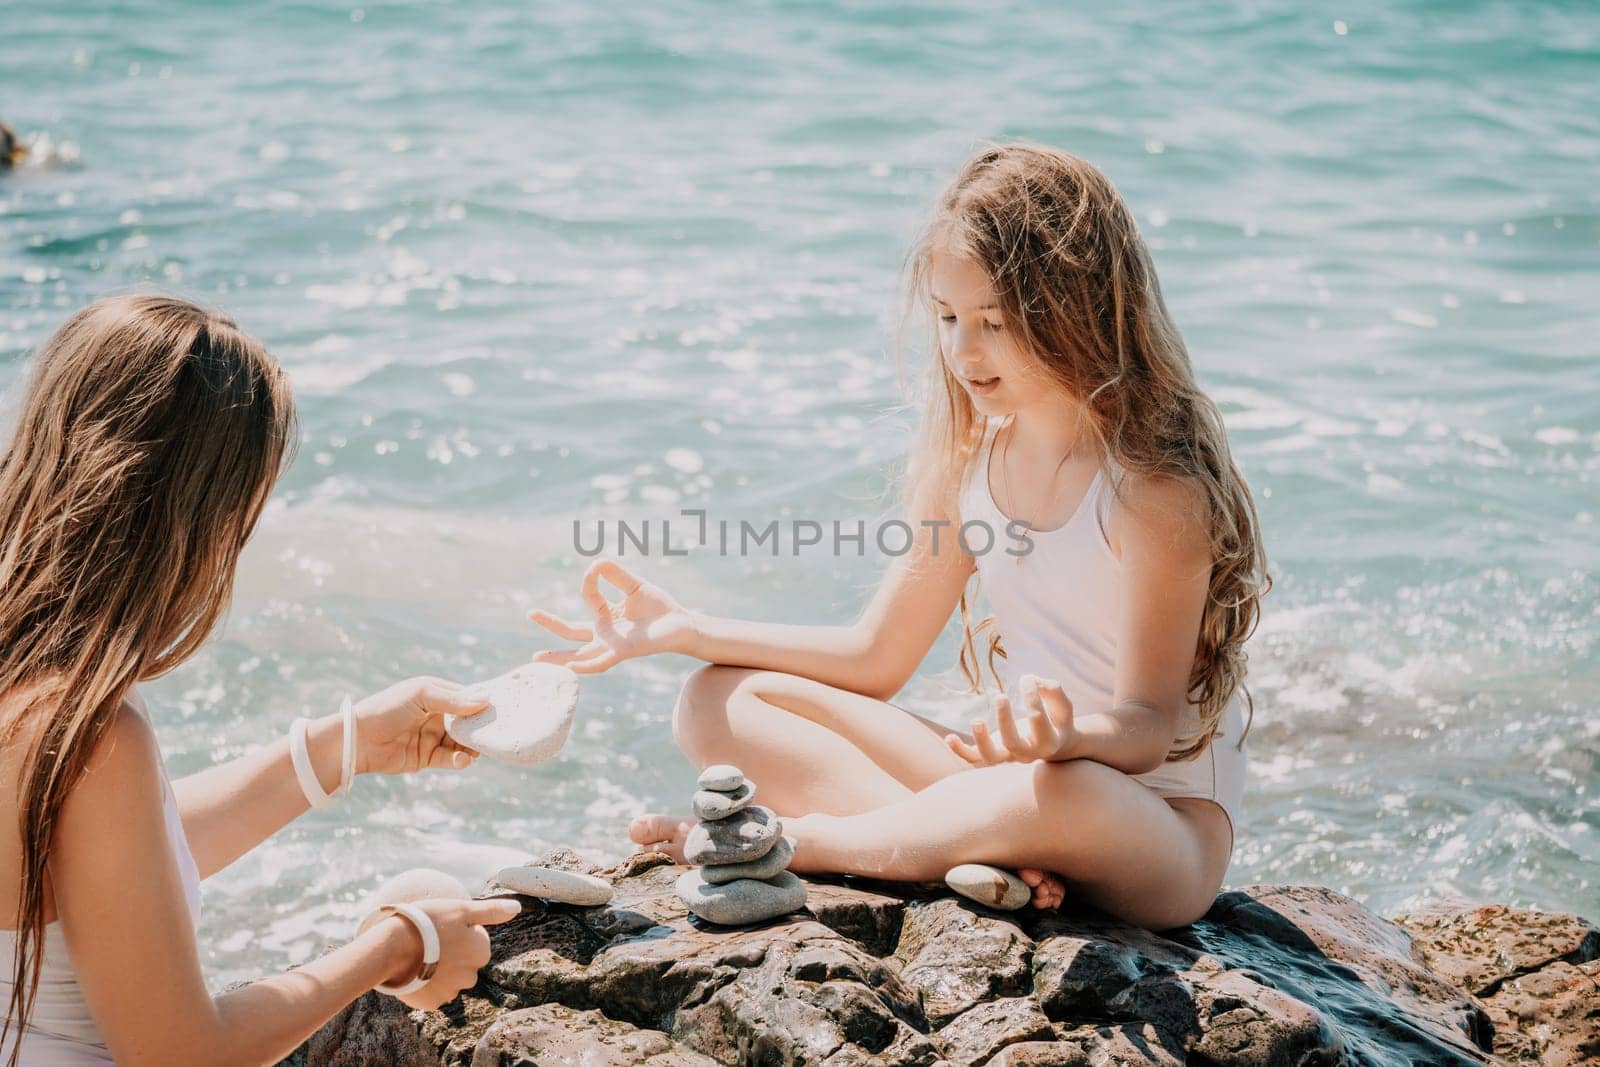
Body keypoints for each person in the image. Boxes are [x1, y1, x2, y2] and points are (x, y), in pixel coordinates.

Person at [530, 143, 1269, 930]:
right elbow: (874, 658)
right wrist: (690, 630)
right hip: (1016, 782)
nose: (962, 349)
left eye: (994, 321)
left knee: (1055, 791)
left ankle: (813, 843)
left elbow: (1150, 726)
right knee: (714, 698)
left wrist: (1068, 736)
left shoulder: (1155, 487)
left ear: (1079, 308)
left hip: (1154, 828)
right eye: (949, 317)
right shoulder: (975, 465)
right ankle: (980, 852)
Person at [1, 295, 520, 1065]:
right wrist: (394, 945)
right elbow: (184, 1054)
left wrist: (345, 746)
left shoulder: (28, 672)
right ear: (187, 514)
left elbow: (118, 867)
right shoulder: (92, 735)